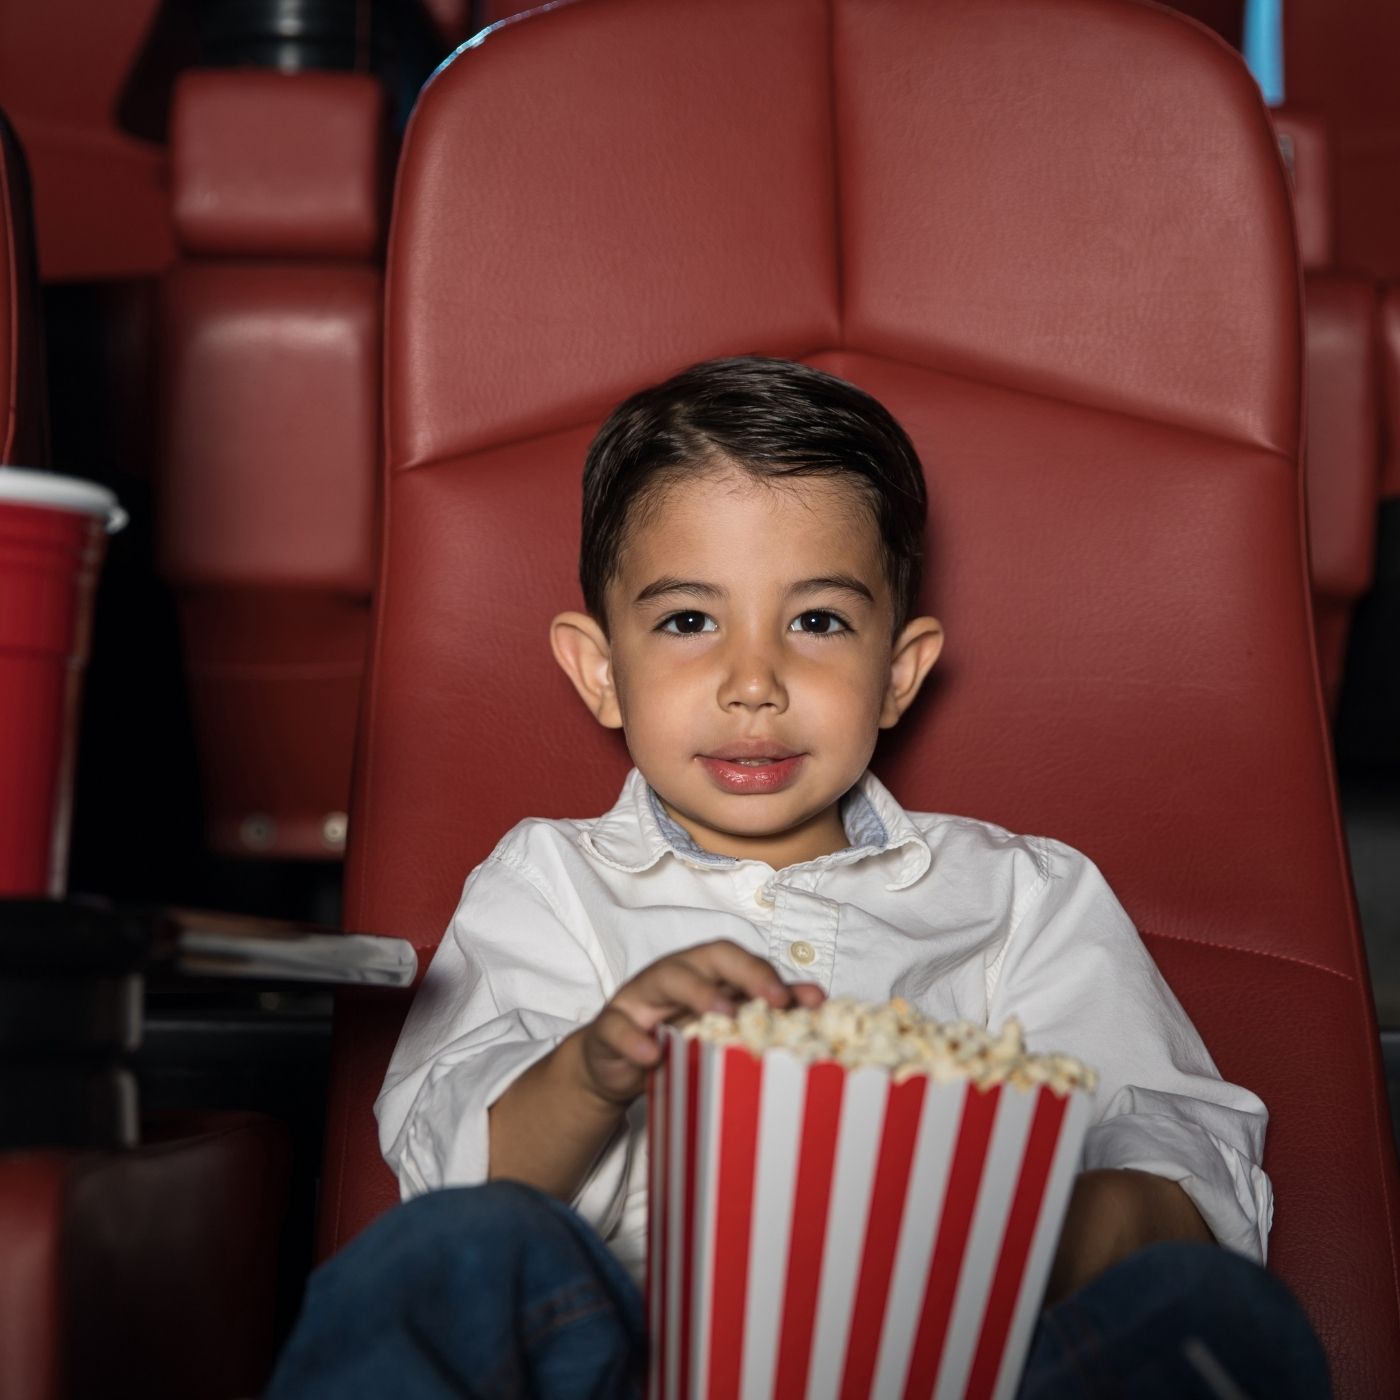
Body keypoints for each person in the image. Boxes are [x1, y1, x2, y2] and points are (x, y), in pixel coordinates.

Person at [266, 357, 1328, 1398]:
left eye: (816, 621)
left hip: (959, 1353)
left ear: (897, 671)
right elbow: (452, 1165)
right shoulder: (548, 879)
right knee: (450, 1253)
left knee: (1216, 1309)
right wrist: (595, 1066)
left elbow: (1188, 1165)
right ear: (598, 668)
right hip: (633, 1351)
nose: (753, 682)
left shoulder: (1016, 896)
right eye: (688, 620)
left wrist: (993, 1227)